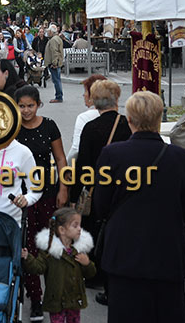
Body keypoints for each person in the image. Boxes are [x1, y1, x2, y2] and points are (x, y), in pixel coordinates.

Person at [94, 91, 185, 323]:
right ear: (159, 119)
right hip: (168, 252)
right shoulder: (179, 157)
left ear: (129, 120)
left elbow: (101, 206)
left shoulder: (112, 155)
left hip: (124, 252)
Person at [71, 80, 131, 305]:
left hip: (97, 189)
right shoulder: (127, 124)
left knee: (95, 230)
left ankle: (94, 273)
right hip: (125, 187)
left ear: (94, 101)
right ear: (117, 99)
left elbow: (83, 165)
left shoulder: (91, 127)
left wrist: (75, 194)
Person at [14, 84, 69, 321]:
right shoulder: (11, 129)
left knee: (50, 246)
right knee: (28, 249)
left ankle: (54, 296)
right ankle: (35, 299)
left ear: (39, 105)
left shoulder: (49, 126)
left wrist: (64, 187)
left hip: (48, 193)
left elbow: (60, 158)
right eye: (22, 106)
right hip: (22, 197)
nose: (26, 111)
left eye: (30, 106)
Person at [21, 207, 96, 323]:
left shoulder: (79, 249)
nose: (80, 229)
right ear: (62, 230)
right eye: (75, 226)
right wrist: (28, 257)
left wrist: (87, 264)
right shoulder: (50, 251)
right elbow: (38, 267)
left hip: (74, 300)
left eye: (80, 225)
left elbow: (91, 273)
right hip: (56, 300)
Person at [68, 74, 107, 163]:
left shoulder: (84, 118)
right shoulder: (117, 117)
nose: (83, 95)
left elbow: (76, 149)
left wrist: (66, 167)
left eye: (85, 91)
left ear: (92, 95)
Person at [43, 25, 64, 103]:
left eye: (48, 31)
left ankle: (58, 97)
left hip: (54, 63)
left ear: (51, 32)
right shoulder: (57, 38)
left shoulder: (53, 40)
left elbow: (55, 52)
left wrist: (54, 63)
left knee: (56, 80)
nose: (48, 33)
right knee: (57, 80)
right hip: (57, 62)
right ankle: (59, 96)